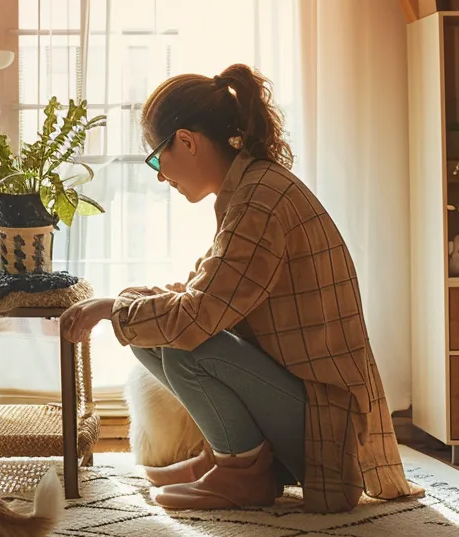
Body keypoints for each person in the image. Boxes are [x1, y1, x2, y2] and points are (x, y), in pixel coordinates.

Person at [59, 64, 420, 513]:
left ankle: (242, 474)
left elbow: (194, 318)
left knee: (180, 343)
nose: (159, 175)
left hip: (326, 431)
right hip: (304, 410)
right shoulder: (249, 190)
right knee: (150, 336)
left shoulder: (259, 202)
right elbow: (199, 293)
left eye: (156, 158)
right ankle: (231, 458)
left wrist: (115, 308)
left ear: (186, 141)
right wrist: (119, 307)